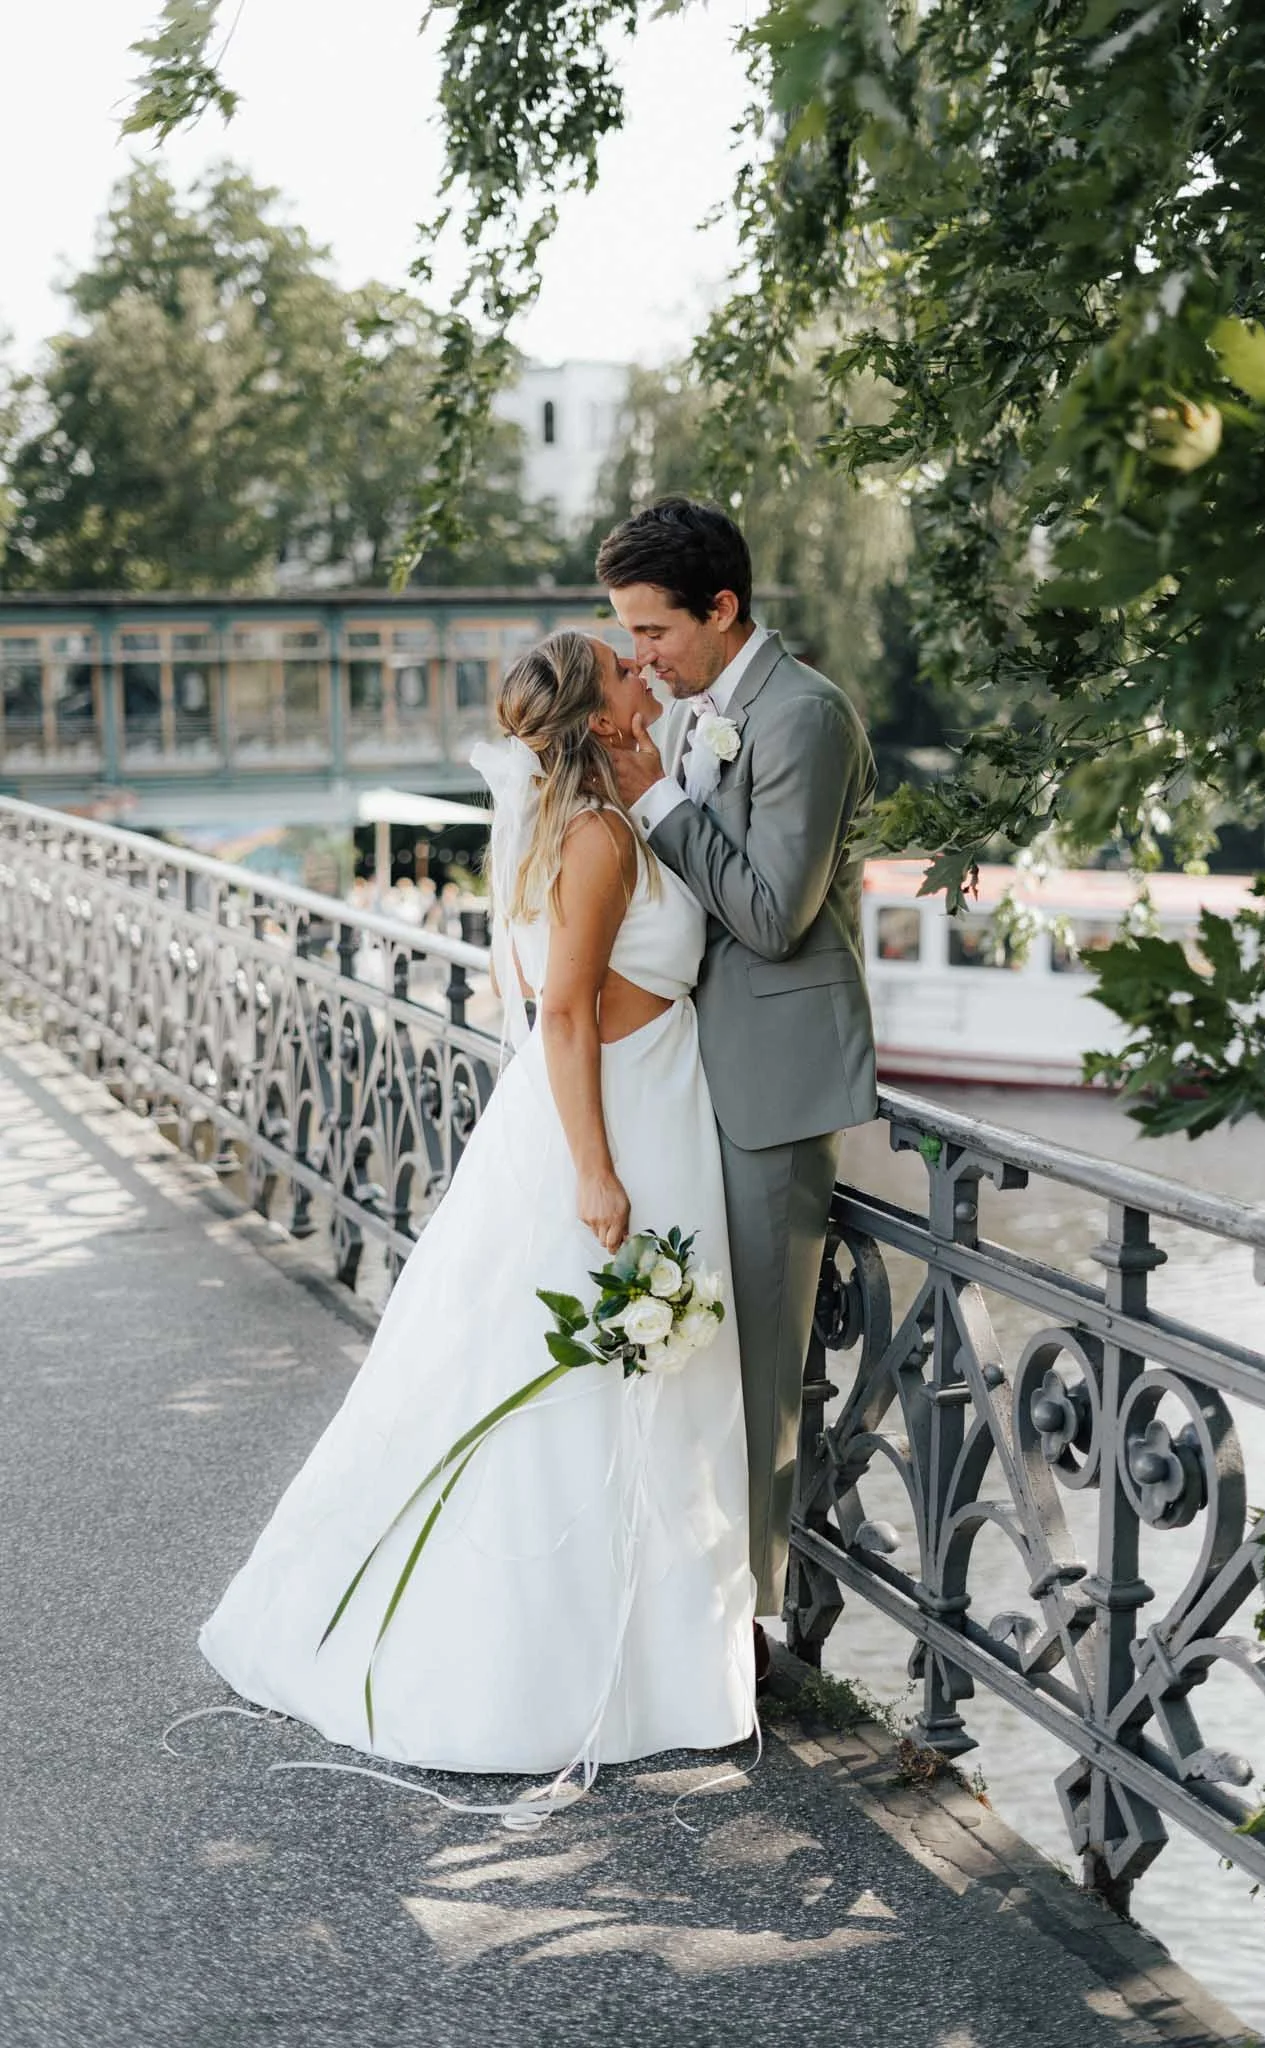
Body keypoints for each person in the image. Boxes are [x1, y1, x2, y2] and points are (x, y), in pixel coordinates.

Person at [199, 632, 754, 1795]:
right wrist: (596, 1174)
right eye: (622, 668)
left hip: (643, 1107)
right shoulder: (597, 837)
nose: (643, 672)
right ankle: (538, 1674)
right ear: (602, 722)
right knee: (574, 1398)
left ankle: (648, 1664)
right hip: (614, 1131)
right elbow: (558, 1015)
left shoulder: (604, 819)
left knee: (615, 1392)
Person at [602, 498, 879, 1638]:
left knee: (765, 1373)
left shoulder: (803, 715)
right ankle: (680, 1597)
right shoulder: (702, 712)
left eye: (655, 631)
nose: (640, 657)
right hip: (689, 1076)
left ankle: (750, 1638)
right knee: (691, 1355)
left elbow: (770, 914)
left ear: (722, 608)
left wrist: (656, 800)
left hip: (770, 1085)